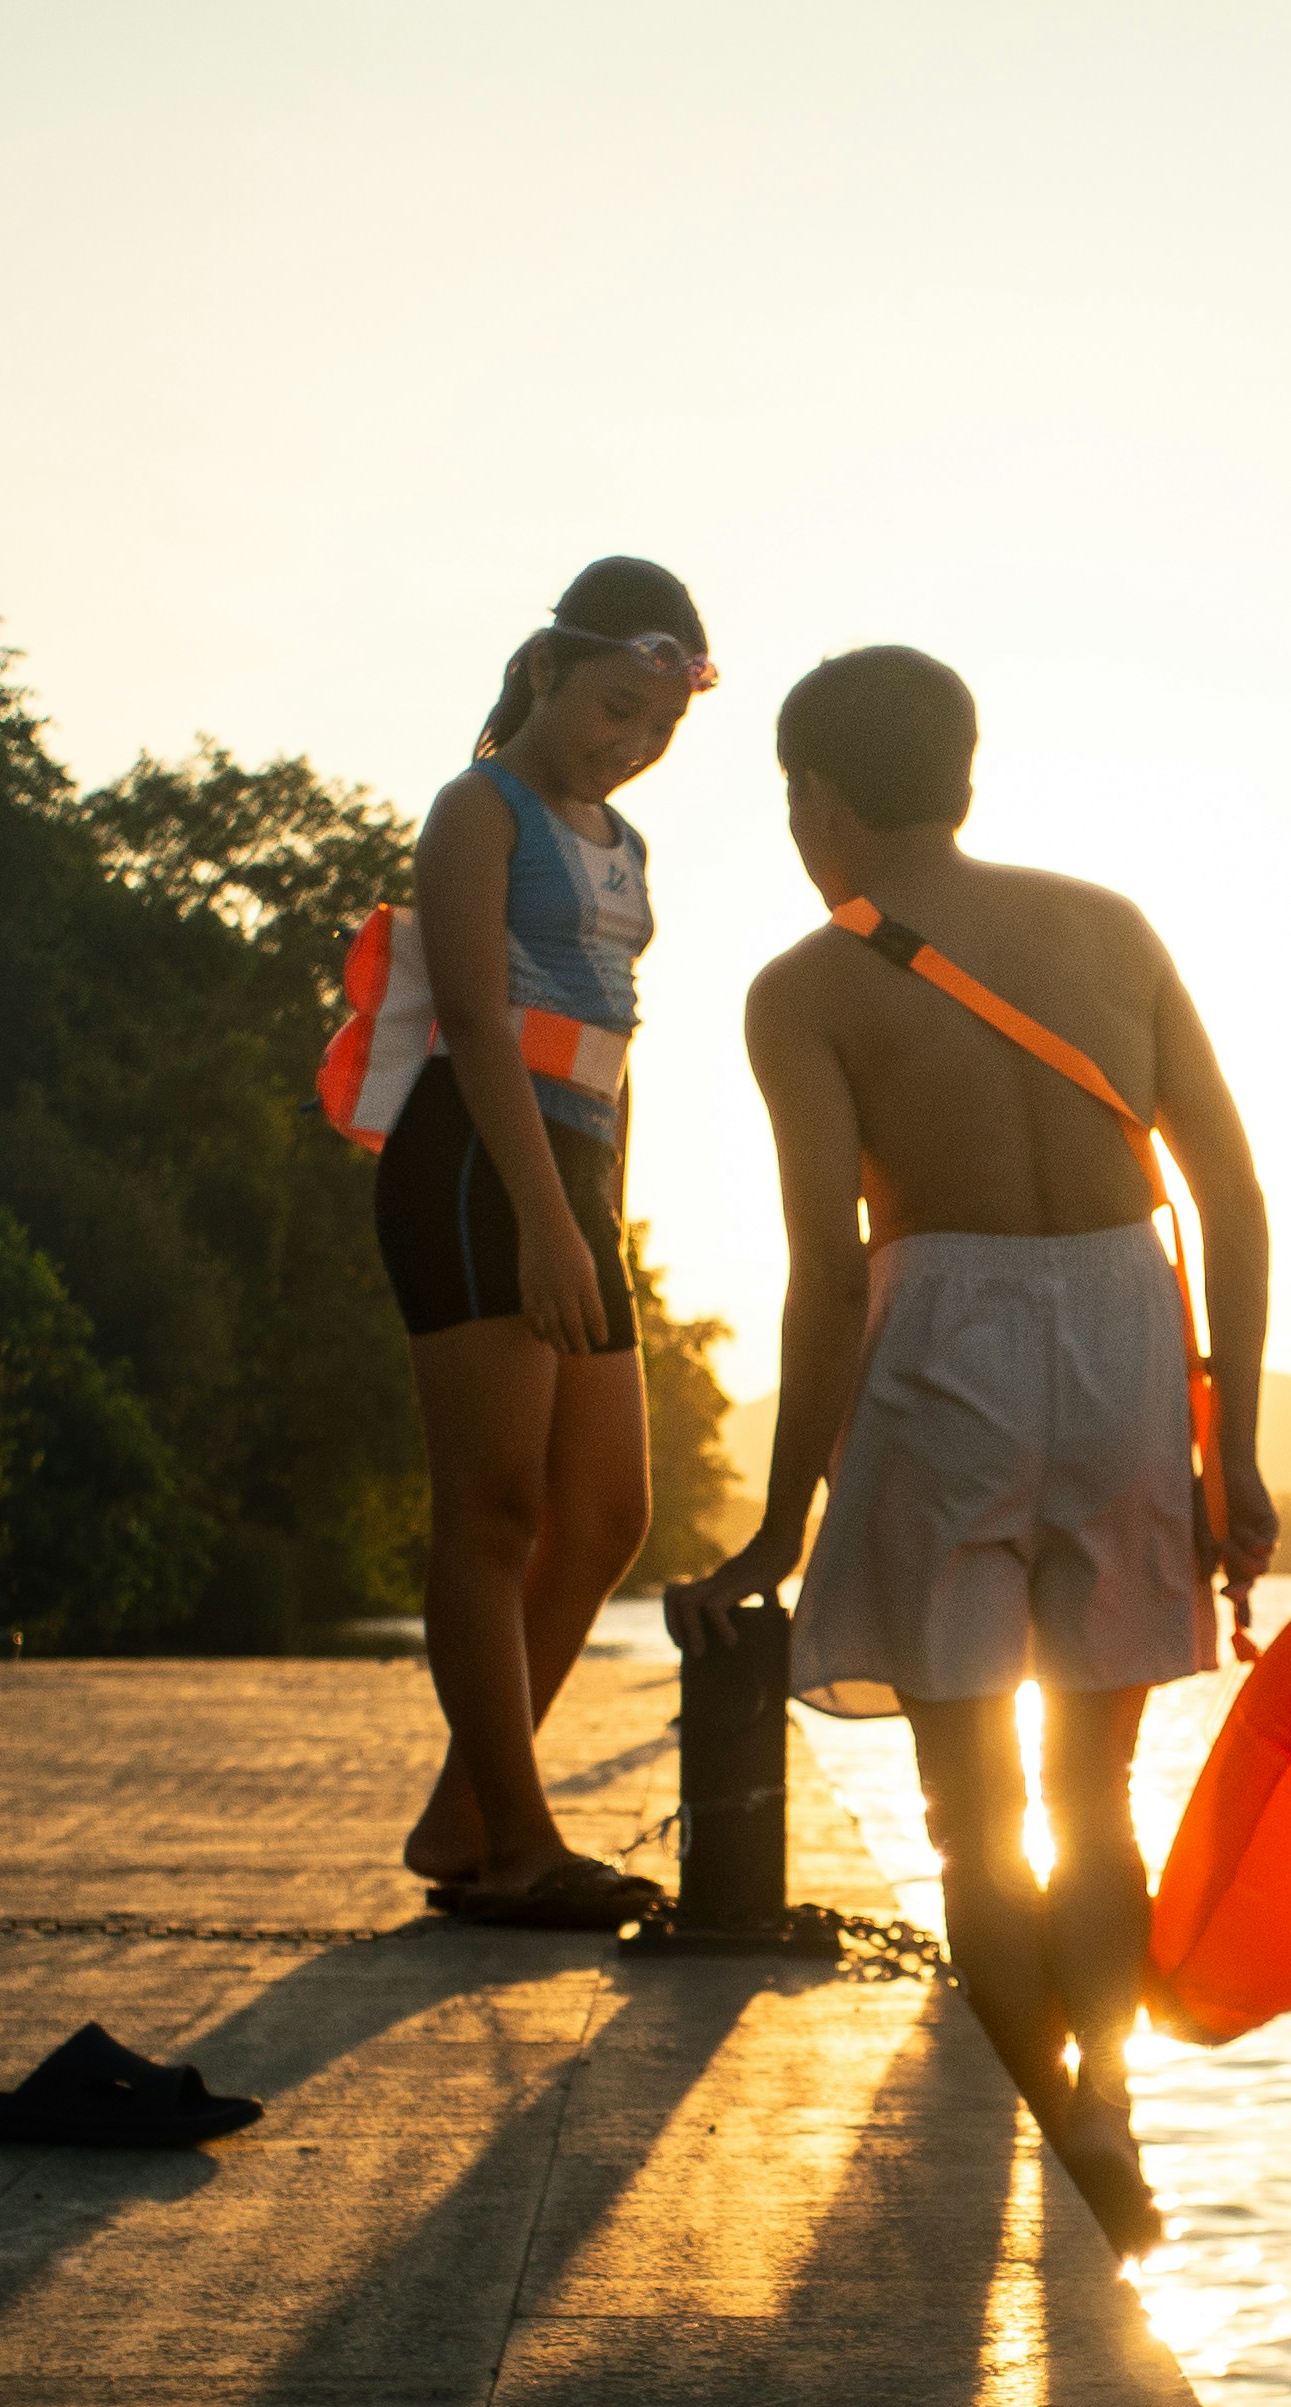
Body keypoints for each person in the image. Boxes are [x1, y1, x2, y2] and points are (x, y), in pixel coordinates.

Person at [670, 646, 1275, 2217]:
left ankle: (1039, 2141)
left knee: (972, 1810)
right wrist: (1240, 1446)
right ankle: (1106, 2103)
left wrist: (781, 1515)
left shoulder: (805, 989)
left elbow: (822, 1268)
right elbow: (1231, 1192)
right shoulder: (1111, 927)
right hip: (1129, 1331)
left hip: (943, 1339)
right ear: (963, 774)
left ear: (818, 800)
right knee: (1094, 1791)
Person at [383, 556, 715, 1928]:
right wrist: (537, 1217)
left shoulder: (623, 847)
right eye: (611, 710)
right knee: (500, 1506)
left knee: (610, 1510)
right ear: (542, 671)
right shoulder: (481, 809)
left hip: (578, 1177)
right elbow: (471, 1020)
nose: (627, 748)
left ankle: (467, 1812)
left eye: (656, 731)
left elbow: (615, 1050)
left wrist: (600, 1222)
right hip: (474, 1161)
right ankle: (514, 1843)